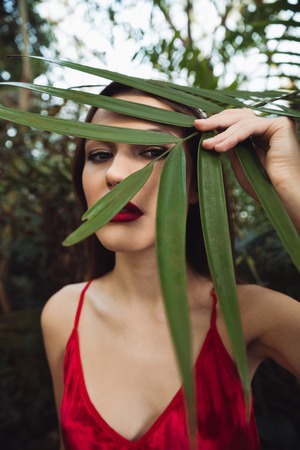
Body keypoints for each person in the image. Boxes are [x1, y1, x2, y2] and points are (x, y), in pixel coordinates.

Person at [41, 81, 300, 450]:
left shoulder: (249, 314)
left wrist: (290, 188)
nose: (115, 174)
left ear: (198, 185)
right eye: (99, 154)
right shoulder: (62, 315)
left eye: (151, 151)